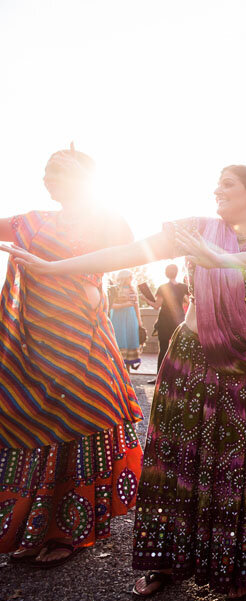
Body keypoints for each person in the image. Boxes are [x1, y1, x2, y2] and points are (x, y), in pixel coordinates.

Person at [5, 164, 246, 598]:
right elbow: (129, 253)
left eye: (228, 184)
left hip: (245, 364)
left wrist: (222, 259)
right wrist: (52, 268)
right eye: (217, 182)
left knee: (236, 465)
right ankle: (164, 563)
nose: (216, 190)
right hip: (189, 362)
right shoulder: (195, 229)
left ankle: (230, 566)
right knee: (174, 462)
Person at [0, 146, 143, 568]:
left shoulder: (104, 219)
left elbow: (129, 246)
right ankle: (33, 529)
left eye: (58, 172)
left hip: (82, 338)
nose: (48, 179)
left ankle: (70, 532)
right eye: (46, 172)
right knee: (34, 425)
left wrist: (91, 281)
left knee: (81, 423)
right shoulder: (31, 221)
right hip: (34, 343)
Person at [150, 263, 188, 374]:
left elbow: (157, 305)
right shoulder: (183, 287)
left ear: (166, 273)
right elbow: (187, 301)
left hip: (165, 321)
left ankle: (160, 376)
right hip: (179, 320)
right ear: (176, 273)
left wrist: (145, 299)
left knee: (163, 349)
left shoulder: (163, 288)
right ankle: (179, 375)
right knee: (179, 349)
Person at [108, 269, 144, 369]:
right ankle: (118, 369)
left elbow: (136, 306)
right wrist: (125, 304)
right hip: (117, 317)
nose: (131, 279)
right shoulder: (114, 289)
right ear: (124, 278)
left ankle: (127, 371)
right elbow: (110, 306)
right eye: (130, 277)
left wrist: (139, 321)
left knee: (130, 339)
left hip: (131, 317)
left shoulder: (133, 289)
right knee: (119, 340)